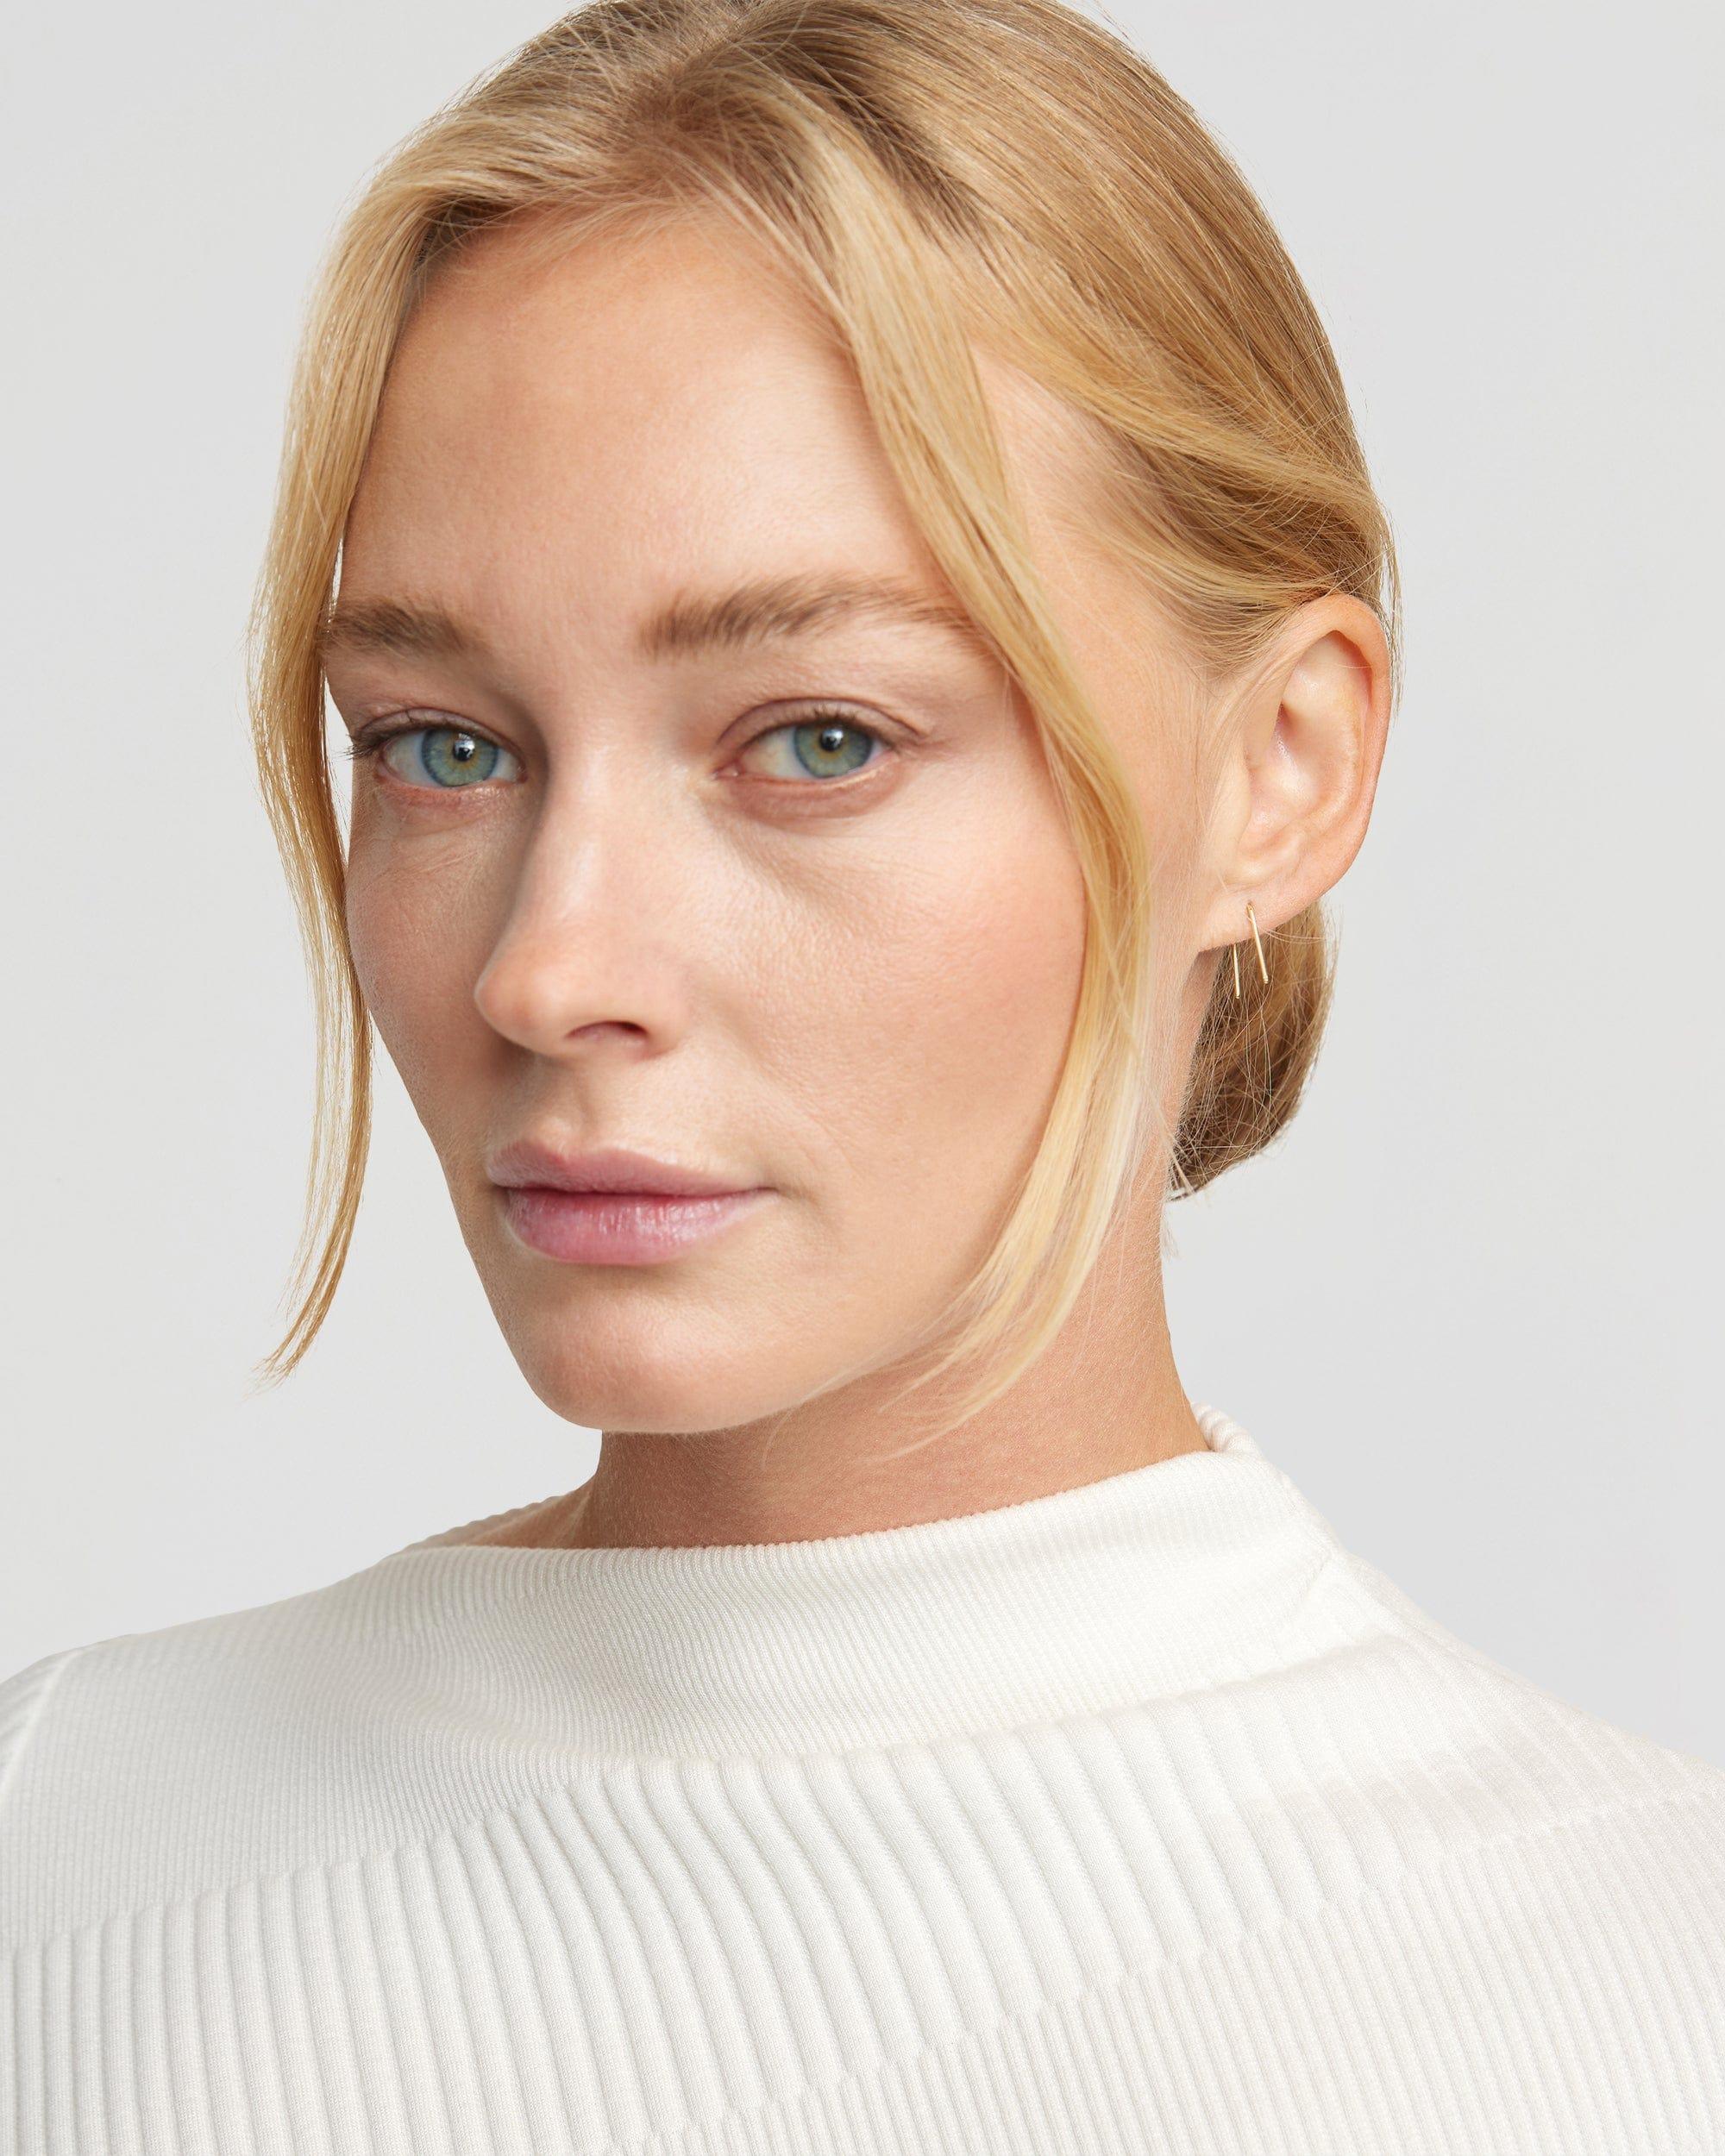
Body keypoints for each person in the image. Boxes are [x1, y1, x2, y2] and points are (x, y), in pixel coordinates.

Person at [3, 2, 1721, 2149]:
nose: (548, 968)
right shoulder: (59, 1851)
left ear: (1278, 770)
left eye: (816, 738)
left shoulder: (1644, 2004)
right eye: (443, 746)